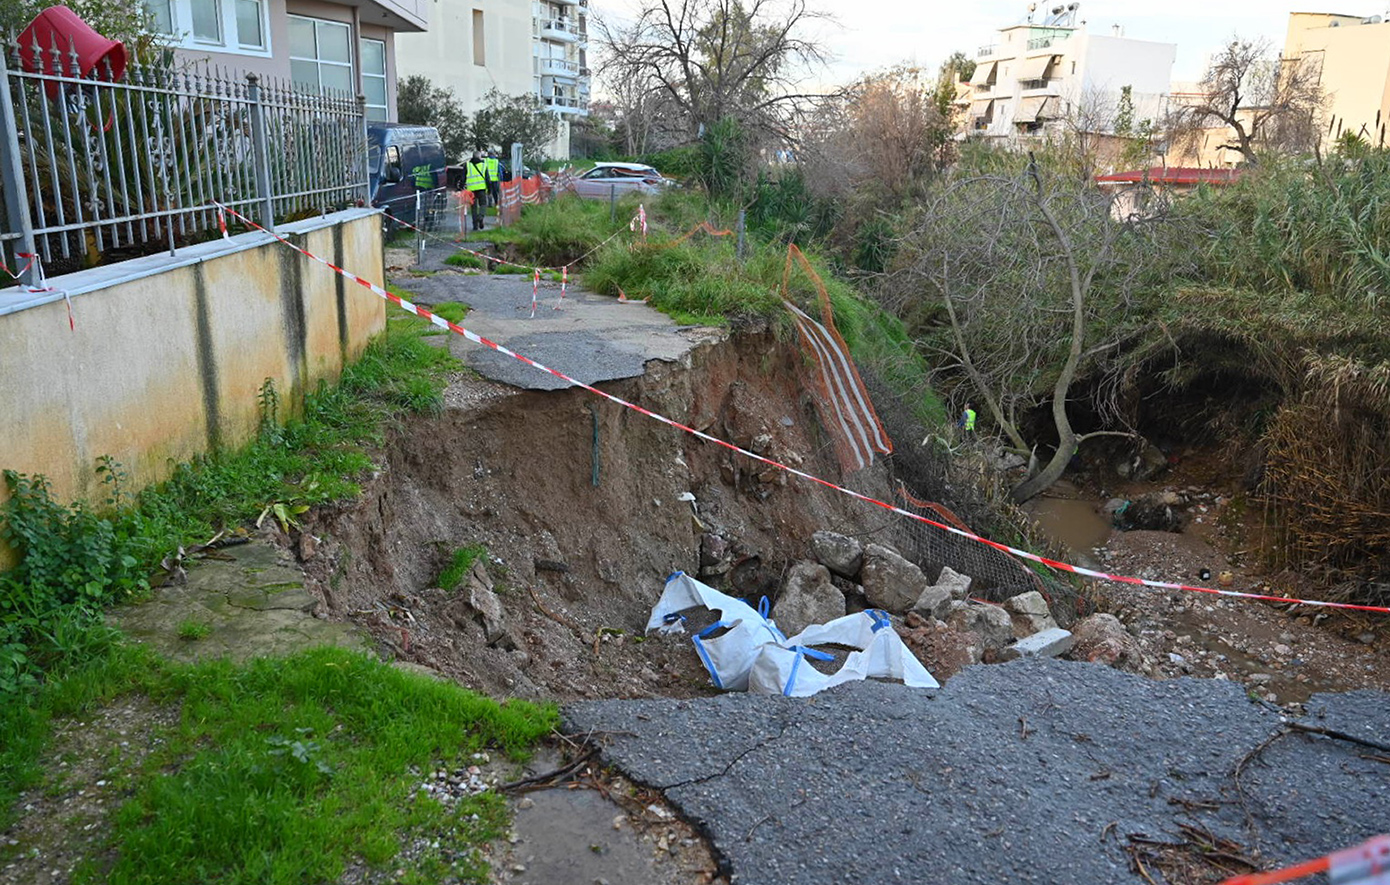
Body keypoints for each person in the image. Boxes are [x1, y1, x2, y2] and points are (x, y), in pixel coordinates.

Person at [464, 151, 488, 231]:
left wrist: (460, 188)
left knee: (473, 208)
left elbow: (463, 177)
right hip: (481, 189)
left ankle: (475, 226)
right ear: (479, 157)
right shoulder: (484, 165)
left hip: (471, 190)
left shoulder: (467, 165)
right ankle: (480, 217)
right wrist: (490, 190)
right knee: (483, 204)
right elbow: (488, 179)